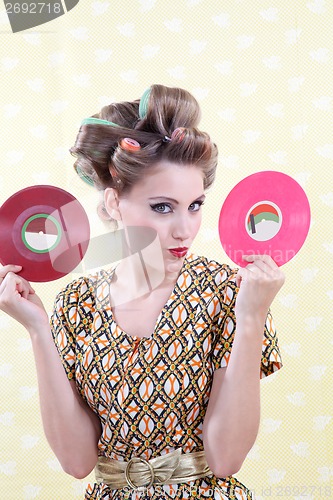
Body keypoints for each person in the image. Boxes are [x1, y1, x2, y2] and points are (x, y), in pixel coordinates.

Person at [0, 84, 285, 500]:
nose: (185, 229)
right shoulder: (77, 304)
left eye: (196, 205)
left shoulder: (231, 292)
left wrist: (252, 317)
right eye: (163, 207)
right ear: (114, 202)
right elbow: (77, 463)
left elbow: (226, 460)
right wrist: (38, 330)